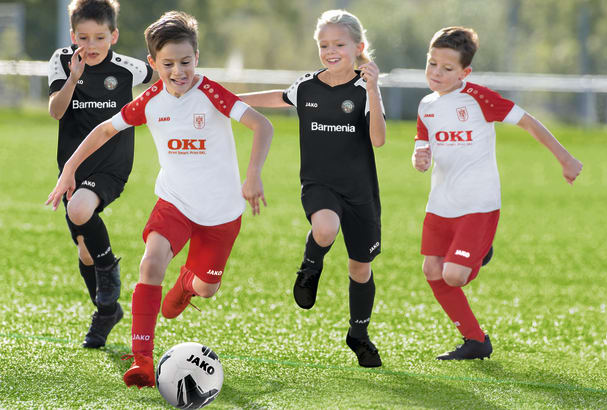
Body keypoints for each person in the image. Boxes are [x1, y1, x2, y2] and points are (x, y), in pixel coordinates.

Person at [46, 10, 274, 388]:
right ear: (153, 64)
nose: (178, 71)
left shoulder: (213, 93)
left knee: (207, 288)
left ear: (196, 58)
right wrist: (70, 168)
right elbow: (104, 129)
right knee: (150, 265)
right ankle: (143, 362)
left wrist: (252, 175)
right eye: (168, 64)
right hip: (174, 203)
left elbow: (261, 124)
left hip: (220, 214)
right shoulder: (150, 100)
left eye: (186, 62)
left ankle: (187, 284)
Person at [412, 27, 583, 360]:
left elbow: (529, 122)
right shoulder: (426, 105)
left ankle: (479, 251)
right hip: (441, 203)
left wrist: (566, 158)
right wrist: (420, 157)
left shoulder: (479, 98)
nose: (437, 73)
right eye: (432, 64)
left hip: (478, 202)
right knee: (432, 271)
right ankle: (475, 341)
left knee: (454, 275)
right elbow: (422, 147)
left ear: (465, 72)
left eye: (447, 69)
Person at [238, 9, 385, 368]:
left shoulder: (363, 90)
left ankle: (358, 334)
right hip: (319, 185)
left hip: (360, 192)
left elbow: (379, 140)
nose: (330, 51)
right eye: (323, 44)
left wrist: (374, 89)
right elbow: (279, 97)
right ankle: (310, 266)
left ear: (358, 46)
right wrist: (229, 100)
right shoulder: (307, 85)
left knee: (359, 269)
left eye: (339, 44)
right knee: (325, 227)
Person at [47, 0, 154, 350]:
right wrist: (74, 78)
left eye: (99, 37)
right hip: (73, 166)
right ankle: (107, 310)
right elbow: (56, 111)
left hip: (112, 162)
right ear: (72, 35)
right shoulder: (62, 61)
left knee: (79, 210)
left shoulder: (130, 68)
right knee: (84, 251)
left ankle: (110, 279)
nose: (91, 45)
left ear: (114, 35)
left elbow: (167, 76)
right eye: (83, 37)